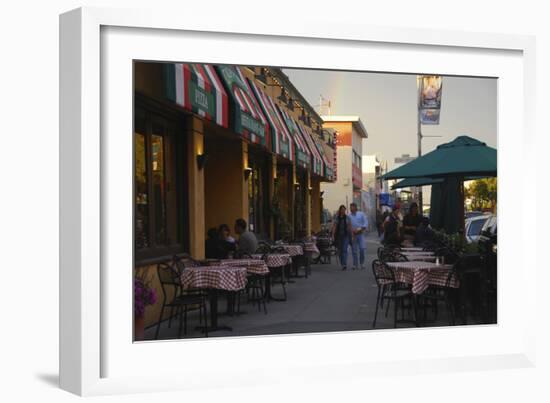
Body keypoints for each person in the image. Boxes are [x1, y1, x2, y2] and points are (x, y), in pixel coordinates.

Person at [331, 205, 352, 271]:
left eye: (344, 209)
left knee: (344, 250)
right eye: (342, 209)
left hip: (346, 235)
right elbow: (334, 226)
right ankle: (342, 263)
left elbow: (349, 226)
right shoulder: (337, 218)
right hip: (338, 236)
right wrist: (333, 235)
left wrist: (351, 234)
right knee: (340, 251)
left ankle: (344, 264)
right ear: (340, 210)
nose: (343, 211)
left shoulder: (347, 217)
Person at [349, 202, 368, 270]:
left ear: (355, 207)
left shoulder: (361, 214)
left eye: (352, 207)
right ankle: (355, 264)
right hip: (353, 234)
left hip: (360, 234)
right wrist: (352, 231)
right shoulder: (349, 216)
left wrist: (359, 229)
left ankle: (362, 263)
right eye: (350, 207)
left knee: (362, 249)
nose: (351, 208)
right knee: (354, 251)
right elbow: (348, 225)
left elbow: (365, 223)